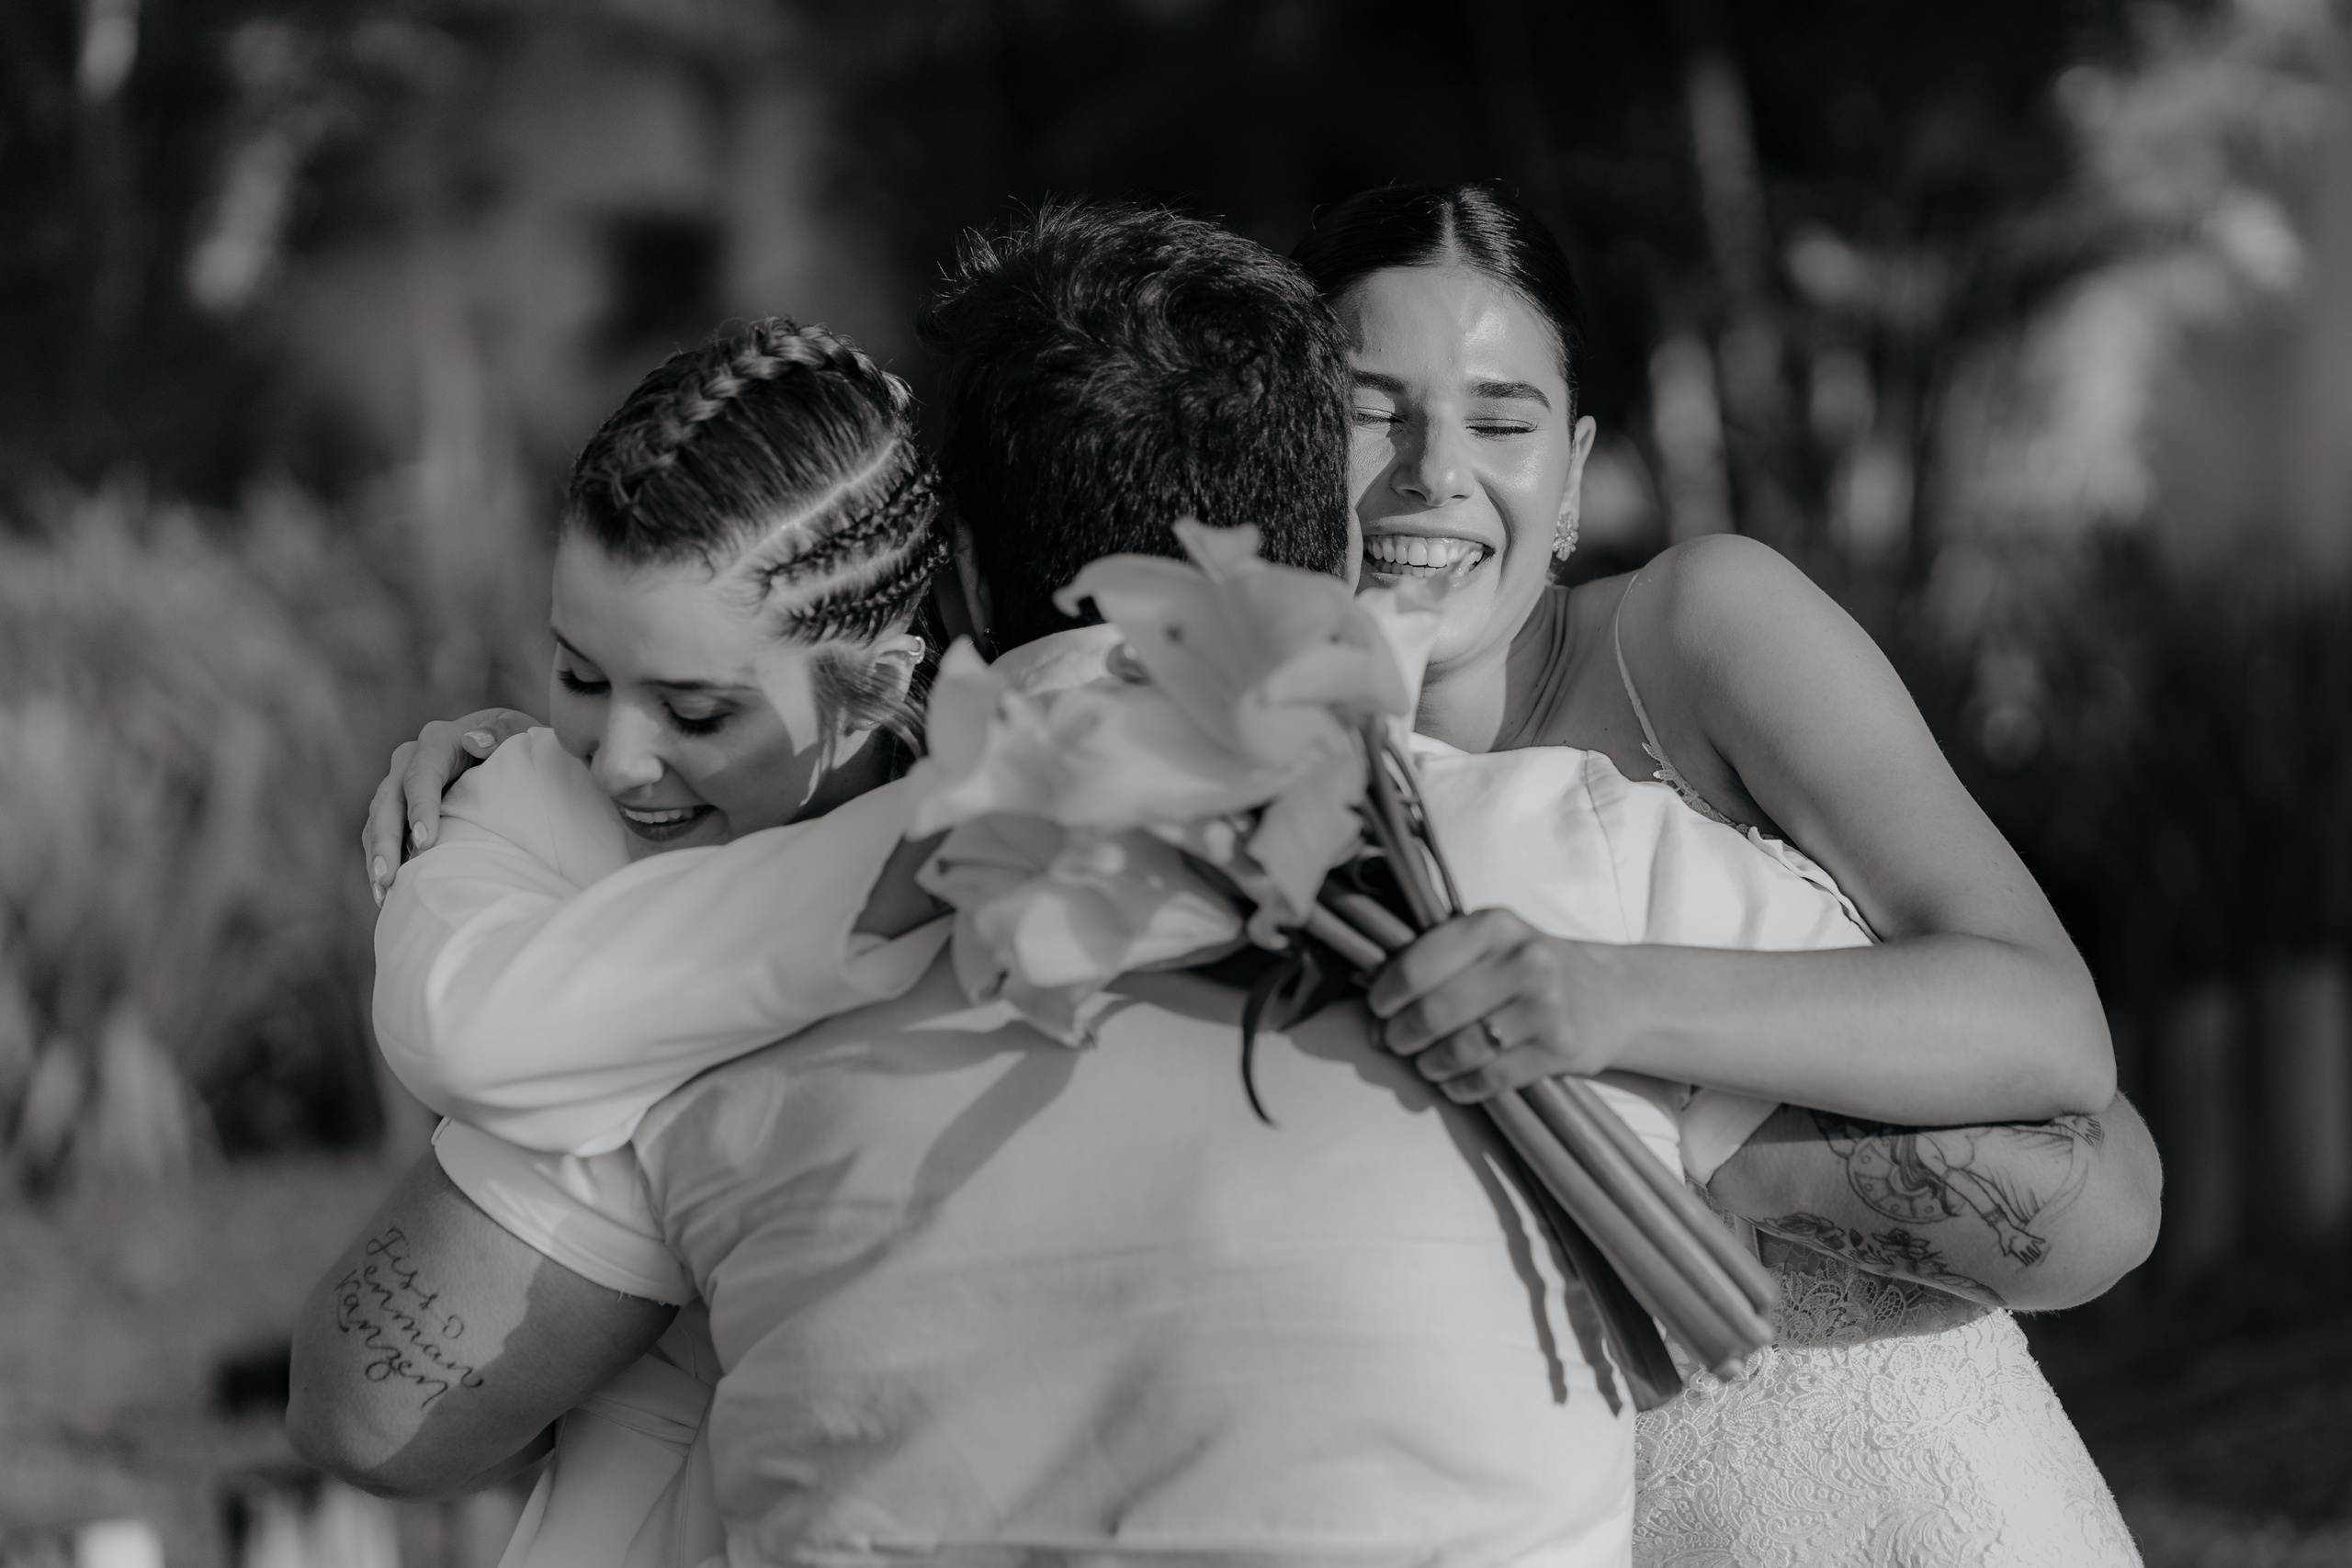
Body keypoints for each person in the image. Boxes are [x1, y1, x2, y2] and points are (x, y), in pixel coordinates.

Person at [1291, 182, 2150, 1565]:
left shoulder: (1698, 634)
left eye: (1499, 421)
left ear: (1569, 475)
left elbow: (2051, 1034)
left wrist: (1609, 1015)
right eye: (1369, 410)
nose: (1432, 470)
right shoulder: (1237, 778)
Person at [293, 315, 956, 1568]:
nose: (619, 757)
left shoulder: (1014, 863)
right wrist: (911, 859)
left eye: (697, 711)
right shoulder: (512, 801)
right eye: (580, 672)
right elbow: (464, 1025)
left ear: (878, 685)